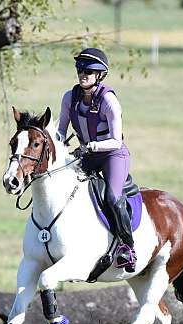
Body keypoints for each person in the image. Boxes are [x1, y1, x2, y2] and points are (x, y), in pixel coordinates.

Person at [56, 48, 137, 272]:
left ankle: (128, 247)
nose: (83, 74)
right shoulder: (69, 98)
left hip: (113, 155)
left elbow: (116, 141)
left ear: (100, 75)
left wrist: (91, 146)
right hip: (87, 155)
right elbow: (60, 131)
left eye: (89, 71)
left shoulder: (109, 101)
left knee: (112, 197)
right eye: (80, 69)